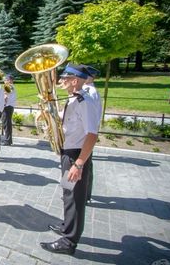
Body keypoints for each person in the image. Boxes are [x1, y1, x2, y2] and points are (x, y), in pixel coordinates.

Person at [41, 64, 98, 255]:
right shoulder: (74, 99)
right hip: (69, 154)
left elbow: (92, 135)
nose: (61, 81)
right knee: (68, 193)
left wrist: (79, 164)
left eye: (65, 78)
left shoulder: (85, 102)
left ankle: (69, 242)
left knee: (74, 198)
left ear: (75, 81)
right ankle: (67, 226)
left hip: (76, 156)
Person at [83, 65, 102, 203]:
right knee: (83, 165)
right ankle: (76, 193)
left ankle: (83, 195)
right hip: (82, 134)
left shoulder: (90, 92)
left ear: (91, 77)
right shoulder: (85, 90)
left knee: (84, 165)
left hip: (84, 134)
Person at [1, 74, 16, 146]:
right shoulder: (10, 86)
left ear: (10, 80)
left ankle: (7, 140)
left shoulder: (9, 86)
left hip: (7, 107)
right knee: (6, 123)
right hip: (9, 107)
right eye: (4, 79)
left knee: (6, 124)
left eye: (6, 79)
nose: (4, 81)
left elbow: (5, 96)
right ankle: (8, 139)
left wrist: (2, 103)